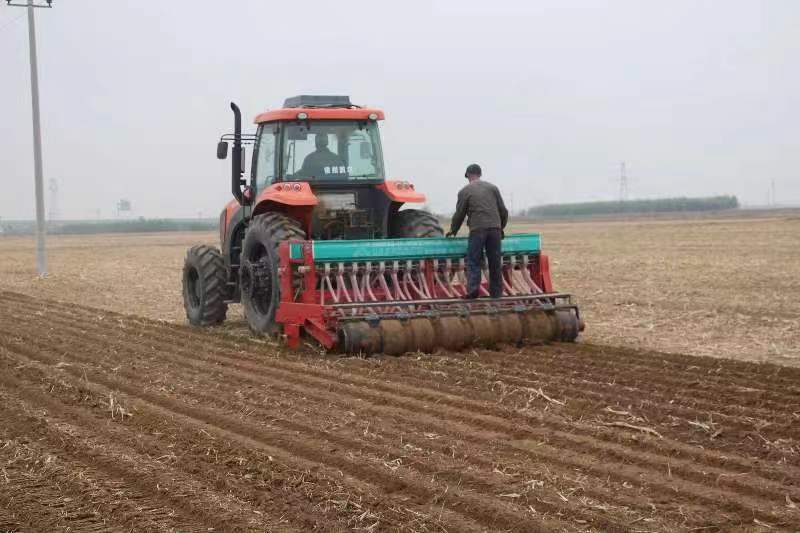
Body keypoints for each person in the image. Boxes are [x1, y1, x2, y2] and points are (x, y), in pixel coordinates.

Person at [446, 163, 508, 299]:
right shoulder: (493, 188)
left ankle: (473, 291)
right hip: (495, 229)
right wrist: (500, 228)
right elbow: (503, 211)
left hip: (478, 229)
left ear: (468, 175)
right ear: (480, 174)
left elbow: (459, 214)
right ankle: (496, 293)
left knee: (474, 260)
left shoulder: (465, 191)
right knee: (494, 261)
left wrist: (453, 230)